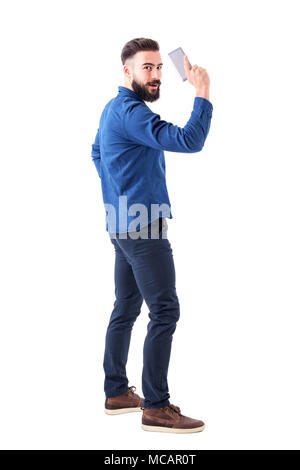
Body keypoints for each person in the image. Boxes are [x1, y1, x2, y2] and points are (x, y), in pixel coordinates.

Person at [91, 38, 213, 433]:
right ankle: (156, 407)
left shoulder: (115, 109)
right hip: (142, 229)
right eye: (148, 67)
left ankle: (116, 393)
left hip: (121, 225)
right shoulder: (132, 113)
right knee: (165, 311)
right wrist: (203, 93)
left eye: (160, 67)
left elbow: (96, 151)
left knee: (125, 309)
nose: (157, 74)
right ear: (127, 71)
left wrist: (118, 191)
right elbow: (188, 141)